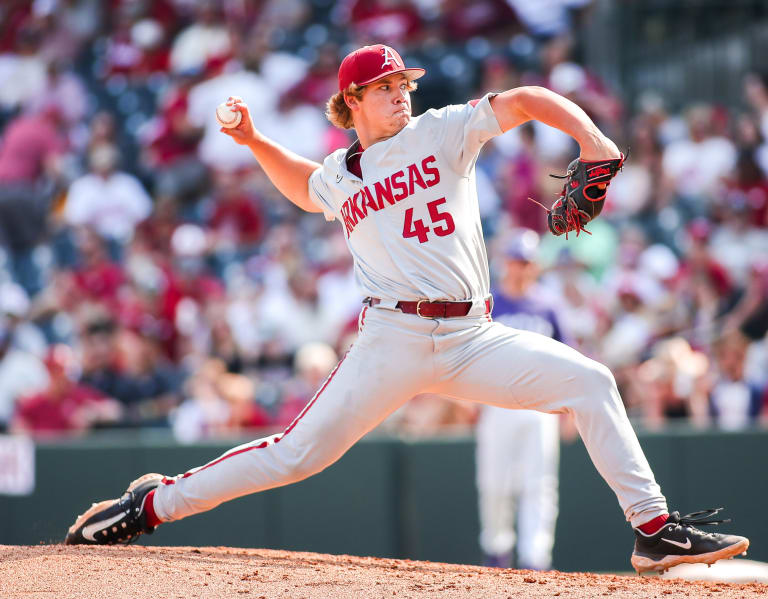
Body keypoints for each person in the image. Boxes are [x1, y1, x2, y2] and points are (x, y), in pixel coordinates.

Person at [65, 44, 749, 574]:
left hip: (472, 334)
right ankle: (150, 503)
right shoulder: (340, 173)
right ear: (352, 101)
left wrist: (595, 144)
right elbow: (305, 186)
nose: (400, 95)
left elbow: (528, 98)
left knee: (592, 382)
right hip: (389, 336)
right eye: (386, 88)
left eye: (403, 85)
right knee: (295, 455)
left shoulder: (441, 131)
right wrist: (252, 142)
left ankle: (655, 531)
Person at [475, 231, 562, 570]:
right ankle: (496, 550)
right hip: (496, 402)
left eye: (526, 262)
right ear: (505, 264)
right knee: (494, 483)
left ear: (535, 266)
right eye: (515, 261)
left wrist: (569, 412)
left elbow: (568, 355)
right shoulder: (490, 301)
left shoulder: (548, 305)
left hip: (541, 406)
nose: (520, 268)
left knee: (539, 484)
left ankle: (535, 557)